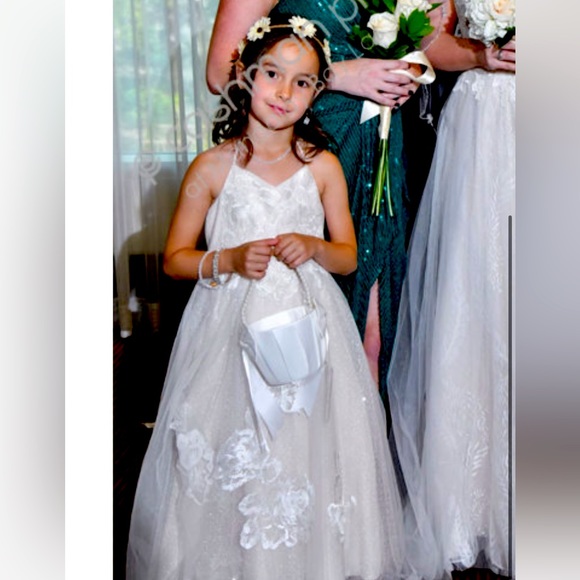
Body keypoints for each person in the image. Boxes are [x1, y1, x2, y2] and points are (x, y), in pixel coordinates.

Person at [126, 15, 406, 579]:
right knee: (236, 438)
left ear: (317, 91)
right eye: (272, 73)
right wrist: (226, 259)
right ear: (245, 73)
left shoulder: (323, 167)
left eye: (301, 82)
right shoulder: (211, 168)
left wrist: (315, 247)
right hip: (228, 329)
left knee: (305, 438)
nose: (284, 92)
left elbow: (348, 256)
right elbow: (175, 258)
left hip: (309, 327)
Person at [207, 0, 420, 417]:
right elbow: (220, 73)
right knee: (293, 338)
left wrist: (404, 69)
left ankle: (356, 455)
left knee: (373, 337)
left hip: (378, 148)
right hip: (304, 148)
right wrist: (335, 75)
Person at [387, 1, 515, 578]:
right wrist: (483, 54)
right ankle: (471, 504)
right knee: (479, 292)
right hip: (486, 127)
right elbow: (428, 41)